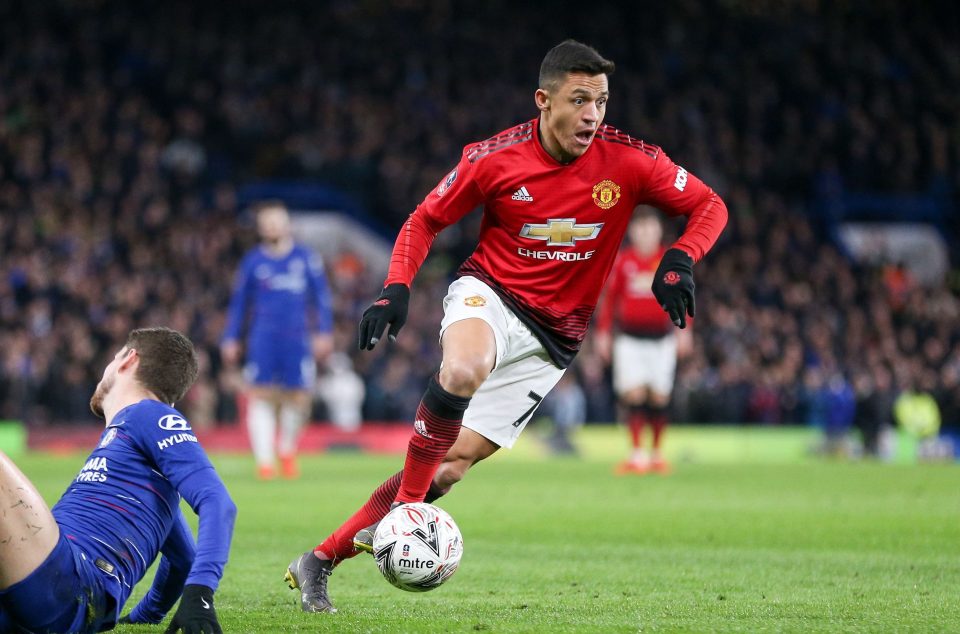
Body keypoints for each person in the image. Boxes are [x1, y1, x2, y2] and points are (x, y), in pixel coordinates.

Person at [284, 39, 727, 613]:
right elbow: (424, 220)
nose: (594, 114)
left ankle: (318, 560)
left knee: (449, 469)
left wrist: (682, 256)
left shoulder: (631, 161)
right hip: (489, 294)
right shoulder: (493, 158)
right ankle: (409, 513)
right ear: (544, 100)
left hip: (553, 342)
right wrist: (396, 285)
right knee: (463, 368)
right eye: (580, 99)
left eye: (603, 100)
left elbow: (710, 205)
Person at [0, 327, 237, 633]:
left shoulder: (150, 414)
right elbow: (184, 558)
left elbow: (217, 501)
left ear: (128, 360)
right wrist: (146, 614)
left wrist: (200, 593)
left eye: (113, 358)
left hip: (70, 582)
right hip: (40, 595)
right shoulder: (137, 463)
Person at [221, 200, 334, 479]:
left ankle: (286, 448)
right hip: (263, 338)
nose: (272, 226)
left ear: (287, 225)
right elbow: (239, 304)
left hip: (297, 339)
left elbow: (321, 299)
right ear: (260, 228)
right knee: (261, 396)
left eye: (276, 221)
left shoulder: (306, 258)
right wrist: (231, 337)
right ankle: (265, 462)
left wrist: (324, 331)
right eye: (267, 222)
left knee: (299, 399)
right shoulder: (253, 262)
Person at [595, 207, 693, 475]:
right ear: (633, 232)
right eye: (640, 228)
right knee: (633, 394)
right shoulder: (623, 262)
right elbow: (609, 301)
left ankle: (657, 454)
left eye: (650, 228)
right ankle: (637, 455)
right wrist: (603, 334)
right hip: (629, 339)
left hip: (662, 339)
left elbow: (683, 298)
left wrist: (685, 330)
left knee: (659, 397)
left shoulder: (669, 261)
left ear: (658, 231)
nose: (645, 233)